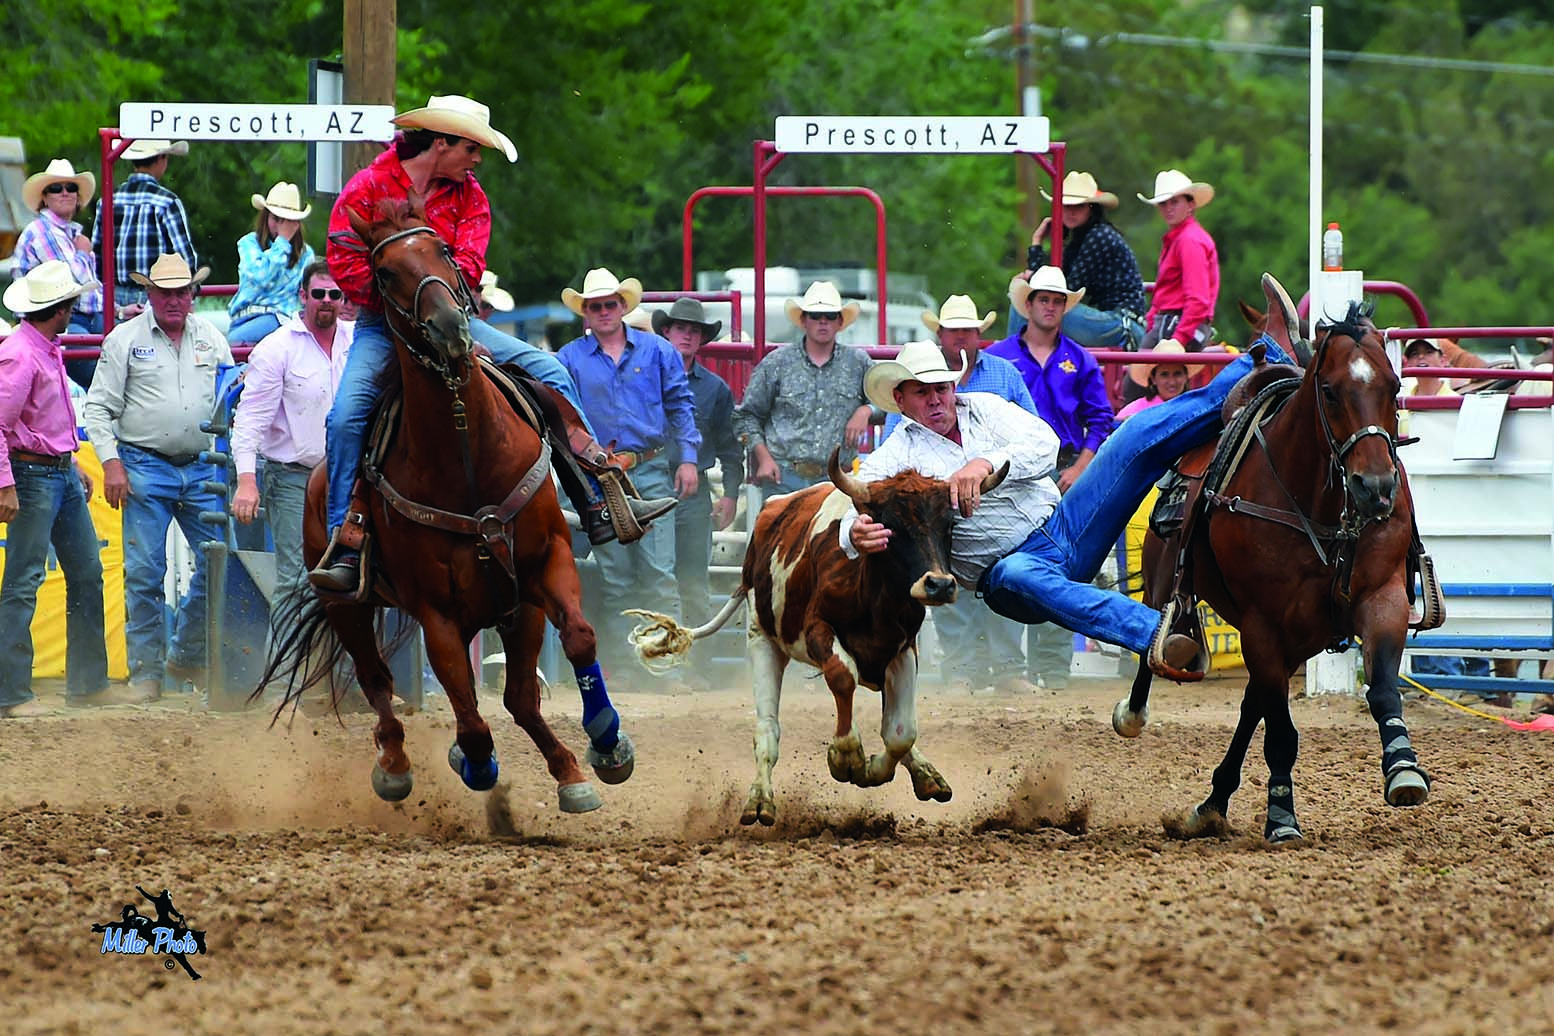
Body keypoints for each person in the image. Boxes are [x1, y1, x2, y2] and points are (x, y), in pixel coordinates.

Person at [312, 94, 673, 591]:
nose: (477, 159)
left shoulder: (470, 196)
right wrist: (405, 301)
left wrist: (437, 307)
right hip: (385, 326)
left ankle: (601, 494)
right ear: (441, 143)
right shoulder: (367, 188)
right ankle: (343, 539)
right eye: (471, 148)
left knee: (550, 371)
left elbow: (470, 265)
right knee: (346, 416)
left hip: (456, 320)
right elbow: (345, 261)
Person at [841, 333, 1295, 683]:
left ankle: (1261, 365)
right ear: (900, 400)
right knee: (1020, 574)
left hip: (1064, 525)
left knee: (1130, 440)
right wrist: (853, 534)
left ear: (952, 384)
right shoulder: (896, 455)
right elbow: (852, 500)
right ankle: (1158, 633)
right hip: (1003, 574)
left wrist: (985, 462)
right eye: (922, 392)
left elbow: (1045, 442)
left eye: (940, 387)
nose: (936, 399)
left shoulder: (986, 406)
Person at [83, 254, 233, 701]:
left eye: (181, 292)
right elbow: (97, 408)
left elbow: (230, 395)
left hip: (201, 464)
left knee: (218, 562)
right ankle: (149, 670)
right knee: (146, 572)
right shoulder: (124, 339)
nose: (173, 300)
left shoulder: (211, 337)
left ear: (192, 295)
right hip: (143, 463)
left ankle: (184, 653)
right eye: (165, 292)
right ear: (149, 294)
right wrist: (111, 462)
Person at [889, 297, 1037, 693]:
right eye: (954, 330)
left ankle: (1006, 667)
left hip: (999, 498)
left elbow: (1031, 430)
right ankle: (961, 667)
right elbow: (894, 448)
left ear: (978, 334)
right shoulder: (912, 397)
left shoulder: (1003, 377)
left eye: (968, 330)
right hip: (937, 511)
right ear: (941, 334)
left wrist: (989, 465)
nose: (961, 337)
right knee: (944, 575)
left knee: (1005, 575)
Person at [557, 269, 700, 675]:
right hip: (596, 476)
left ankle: (667, 668)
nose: (603, 311)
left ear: (622, 306)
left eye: (609, 304)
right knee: (616, 576)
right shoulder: (569, 358)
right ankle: (628, 669)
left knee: (659, 571)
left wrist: (687, 458)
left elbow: (680, 406)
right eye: (595, 306)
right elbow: (560, 416)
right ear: (586, 313)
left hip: (648, 467)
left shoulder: (658, 351)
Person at [986, 267, 1116, 688]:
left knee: (1056, 566)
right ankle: (1009, 669)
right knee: (1007, 559)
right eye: (1044, 299)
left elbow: (1100, 420)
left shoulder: (1079, 360)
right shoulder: (999, 357)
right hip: (1010, 471)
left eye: (1058, 300)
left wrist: (1080, 468)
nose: (1050, 306)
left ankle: (1052, 668)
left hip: (1062, 469)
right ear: (1029, 304)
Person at [0, 261, 117, 717]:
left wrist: (71, 461)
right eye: (71, 303)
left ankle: (86, 684)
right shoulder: (24, 354)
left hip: (55, 471)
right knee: (25, 581)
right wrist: (6, 485)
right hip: (32, 475)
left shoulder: (38, 348)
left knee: (84, 571)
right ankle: (11, 692)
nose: (75, 309)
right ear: (61, 308)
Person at [231, 261, 351, 628]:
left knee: (351, 576)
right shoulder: (276, 348)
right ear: (303, 296)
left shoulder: (357, 340)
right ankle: (281, 682)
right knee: (298, 579)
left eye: (334, 294)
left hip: (348, 477)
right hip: (293, 477)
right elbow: (249, 419)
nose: (327, 301)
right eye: (319, 294)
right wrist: (247, 481)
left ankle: (348, 681)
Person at [653, 297, 743, 673]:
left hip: (691, 491)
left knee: (691, 582)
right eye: (681, 329)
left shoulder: (716, 390)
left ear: (701, 338)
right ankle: (661, 665)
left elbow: (730, 446)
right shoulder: (645, 376)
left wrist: (731, 495)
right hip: (651, 482)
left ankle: (696, 669)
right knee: (655, 577)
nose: (687, 336)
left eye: (694, 330)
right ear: (667, 332)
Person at [733, 280, 874, 501]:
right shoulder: (776, 363)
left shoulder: (859, 363)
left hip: (837, 479)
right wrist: (763, 457)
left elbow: (890, 401)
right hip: (784, 476)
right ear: (803, 321)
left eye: (830, 316)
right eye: (815, 316)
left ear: (840, 321)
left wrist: (867, 410)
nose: (823, 322)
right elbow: (747, 415)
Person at [1012, 171, 1146, 352]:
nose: (1071, 211)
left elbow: (1061, 291)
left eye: (1079, 206)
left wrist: (1037, 248)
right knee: (1030, 303)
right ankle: (1017, 362)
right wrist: (1038, 243)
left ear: (1091, 208)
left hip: (1123, 325)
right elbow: (1047, 287)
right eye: (1066, 206)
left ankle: (1012, 362)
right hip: (1111, 322)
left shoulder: (1099, 236)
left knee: (1030, 306)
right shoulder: (1080, 240)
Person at [15, 159, 104, 387]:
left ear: (77, 197)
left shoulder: (68, 234)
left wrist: (121, 310)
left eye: (71, 187)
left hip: (81, 317)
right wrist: (84, 253)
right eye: (56, 188)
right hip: (54, 320)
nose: (65, 193)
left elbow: (90, 291)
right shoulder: (43, 232)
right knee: (103, 381)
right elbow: (71, 280)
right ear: (45, 197)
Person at [91, 139, 196, 318]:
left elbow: (97, 255)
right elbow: (184, 257)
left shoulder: (108, 201)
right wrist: (190, 291)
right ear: (161, 159)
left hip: (114, 297)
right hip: (156, 295)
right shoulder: (166, 202)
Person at [1137, 169, 1219, 360]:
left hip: (1176, 324)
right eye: (1163, 203)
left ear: (1190, 204)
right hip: (1176, 324)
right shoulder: (1183, 238)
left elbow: (1198, 299)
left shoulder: (1188, 241)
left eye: (1174, 202)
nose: (1168, 208)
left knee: (1132, 386)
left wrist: (1178, 339)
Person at [227, 182, 316, 346]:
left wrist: (282, 241)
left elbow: (307, 297)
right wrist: (283, 243)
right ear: (266, 217)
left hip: (281, 321)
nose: (281, 227)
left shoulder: (305, 254)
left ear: (295, 224)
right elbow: (261, 277)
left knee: (231, 345)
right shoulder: (249, 243)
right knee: (231, 347)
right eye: (276, 219)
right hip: (243, 320)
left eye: (286, 221)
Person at [1115, 343, 1200, 421]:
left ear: (1185, 377)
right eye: (1164, 375)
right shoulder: (1134, 410)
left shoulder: (1196, 408)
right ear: (1153, 379)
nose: (1172, 382)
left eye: (1177, 374)